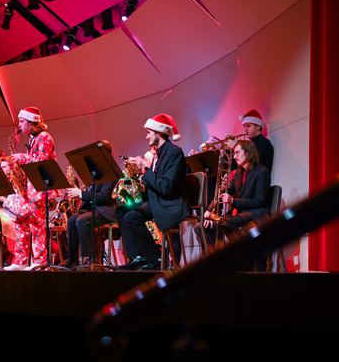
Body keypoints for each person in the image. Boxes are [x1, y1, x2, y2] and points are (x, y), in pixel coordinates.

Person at [115, 113, 190, 271]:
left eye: (149, 132)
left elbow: (166, 187)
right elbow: (157, 184)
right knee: (121, 211)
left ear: (159, 133)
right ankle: (138, 256)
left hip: (169, 204)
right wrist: (142, 177)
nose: (146, 137)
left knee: (131, 216)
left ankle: (155, 257)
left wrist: (145, 169)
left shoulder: (174, 152)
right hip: (158, 201)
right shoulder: (159, 154)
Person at [194, 140, 271, 271]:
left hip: (256, 212)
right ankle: (218, 260)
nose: (234, 156)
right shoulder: (239, 173)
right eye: (234, 153)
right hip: (241, 213)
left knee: (224, 223)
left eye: (237, 153)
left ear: (249, 153)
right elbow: (223, 192)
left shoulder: (262, 172)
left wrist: (233, 201)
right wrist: (210, 209)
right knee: (199, 227)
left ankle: (243, 258)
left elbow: (258, 201)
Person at [4, 107, 61, 271]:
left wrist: (22, 157)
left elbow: (41, 161)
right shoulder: (33, 139)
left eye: (22, 121)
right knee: (20, 221)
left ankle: (40, 261)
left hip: (39, 189)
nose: (19, 125)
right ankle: (20, 261)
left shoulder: (44, 137)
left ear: (31, 122)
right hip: (28, 189)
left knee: (37, 225)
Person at [63, 140, 118, 268]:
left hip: (105, 209)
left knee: (81, 220)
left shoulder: (111, 172)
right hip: (92, 208)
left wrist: (81, 194)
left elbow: (104, 197)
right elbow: (91, 193)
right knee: (71, 220)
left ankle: (89, 258)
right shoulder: (95, 171)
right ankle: (72, 258)